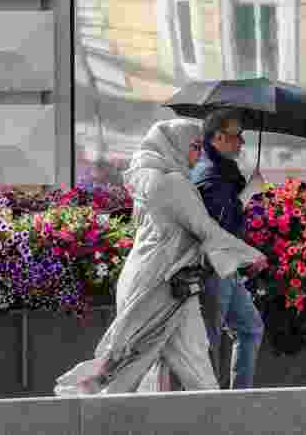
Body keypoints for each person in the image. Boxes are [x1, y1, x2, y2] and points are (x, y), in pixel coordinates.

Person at [53, 118, 267, 396]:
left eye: (200, 147)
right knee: (152, 365)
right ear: (174, 145)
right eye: (193, 146)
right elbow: (205, 229)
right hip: (161, 284)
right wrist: (251, 255)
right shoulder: (172, 183)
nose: (198, 154)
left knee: (151, 363)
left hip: (159, 281)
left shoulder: (150, 179)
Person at [191, 108, 265, 390]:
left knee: (250, 328)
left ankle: (238, 400)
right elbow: (217, 225)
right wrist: (249, 193)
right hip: (213, 269)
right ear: (218, 137)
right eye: (237, 136)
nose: (242, 143)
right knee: (209, 341)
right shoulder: (207, 173)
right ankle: (208, 409)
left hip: (227, 268)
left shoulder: (222, 171)